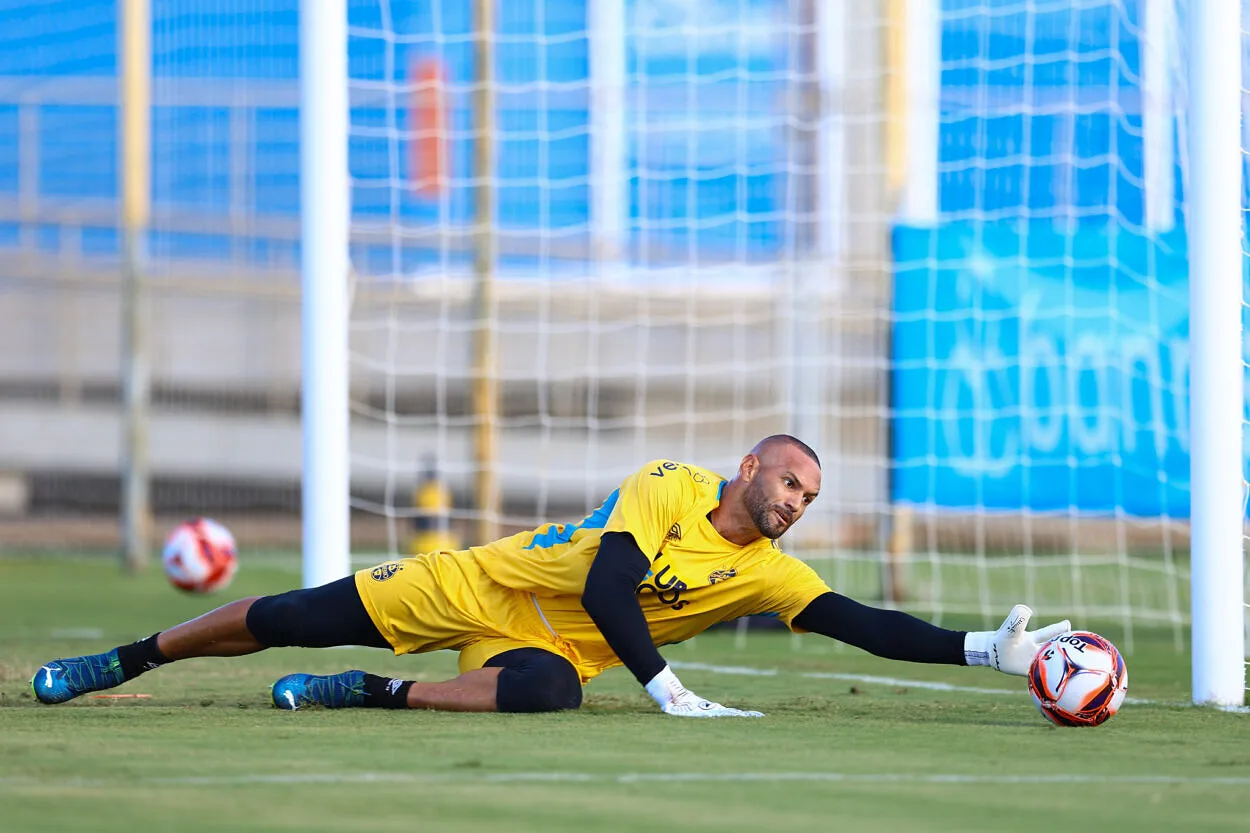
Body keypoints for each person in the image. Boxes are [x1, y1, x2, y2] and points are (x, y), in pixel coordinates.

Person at [32, 435, 1070, 717]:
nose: (796, 498)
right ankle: (117, 661)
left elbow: (859, 621)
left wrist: (984, 646)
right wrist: (667, 688)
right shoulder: (665, 483)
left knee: (548, 690)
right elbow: (615, 585)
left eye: (810, 493)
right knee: (296, 614)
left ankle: (379, 693)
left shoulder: (767, 571)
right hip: (482, 582)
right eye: (787, 478)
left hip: (532, 643)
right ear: (745, 468)